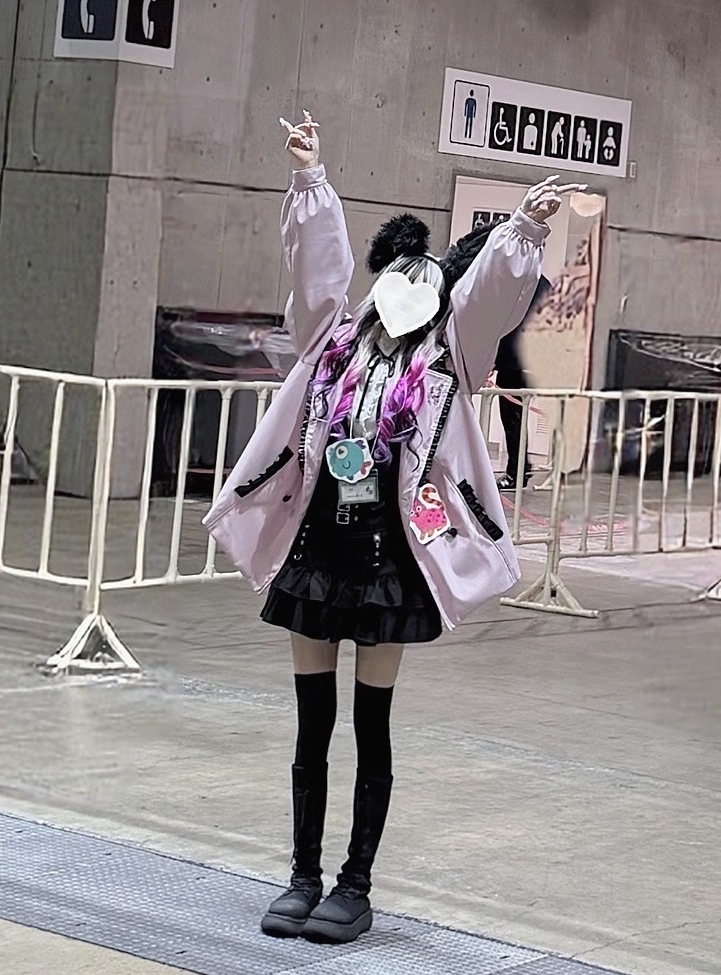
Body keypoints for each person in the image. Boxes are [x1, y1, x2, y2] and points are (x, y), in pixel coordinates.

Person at [203, 110, 581, 945]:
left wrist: (522, 228)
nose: (404, 292)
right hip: (316, 549)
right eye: (394, 279)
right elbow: (315, 272)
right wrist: (310, 176)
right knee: (311, 723)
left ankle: (354, 883)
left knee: (369, 725)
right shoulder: (330, 346)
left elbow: (487, 301)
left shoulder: (447, 359)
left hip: (388, 562)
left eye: (422, 281)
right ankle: (302, 875)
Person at [493, 272, 552, 491]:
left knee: (513, 418)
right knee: (517, 417)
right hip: (532, 359)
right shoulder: (543, 284)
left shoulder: (516, 284)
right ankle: (520, 469)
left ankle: (516, 471)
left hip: (514, 361)